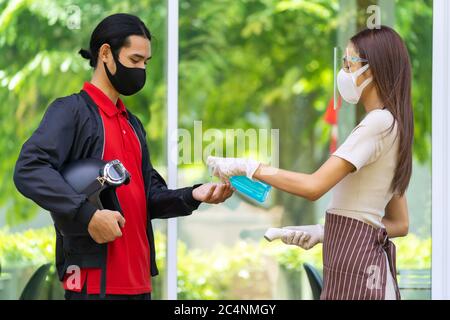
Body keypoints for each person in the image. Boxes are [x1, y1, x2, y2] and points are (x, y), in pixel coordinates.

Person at [13, 13, 233, 300]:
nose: (141, 69)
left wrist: (195, 195)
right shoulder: (71, 112)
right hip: (92, 284)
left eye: (145, 62)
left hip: (139, 283)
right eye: (134, 60)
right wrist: (87, 215)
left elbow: (149, 198)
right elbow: (29, 169)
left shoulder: (133, 124)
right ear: (106, 53)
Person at [208, 26, 413, 300]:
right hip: (361, 269)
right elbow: (398, 223)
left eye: (349, 63)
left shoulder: (377, 124)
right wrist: (328, 233)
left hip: (360, 276)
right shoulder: (392, 124)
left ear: (372, 70)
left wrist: (249, 167)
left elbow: (313, 186)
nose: (344, 72)